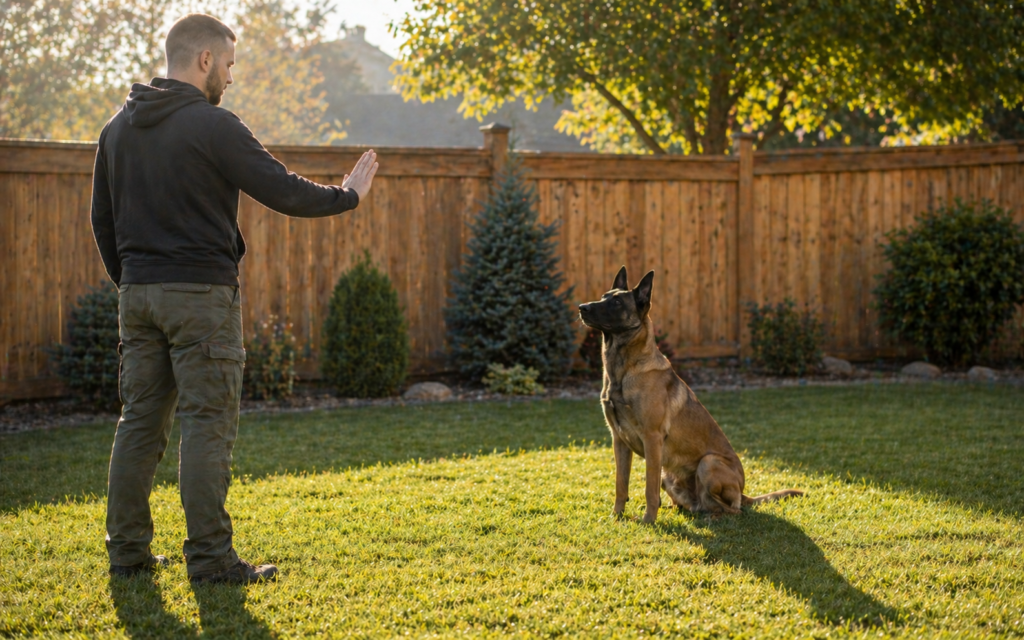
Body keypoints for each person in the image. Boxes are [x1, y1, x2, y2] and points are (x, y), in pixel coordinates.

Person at [91, 13, 378, 585]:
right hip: (201, 297)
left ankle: (127, 554)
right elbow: (282, 189)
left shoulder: (116, 128)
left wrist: (131, 282)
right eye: (228, 63)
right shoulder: (212, 125)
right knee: (207, 422)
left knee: (139, 422)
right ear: (203, 60)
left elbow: (102, 219)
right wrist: (347, 196)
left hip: (139, 295)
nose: (231, 75)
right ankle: (212, 560)